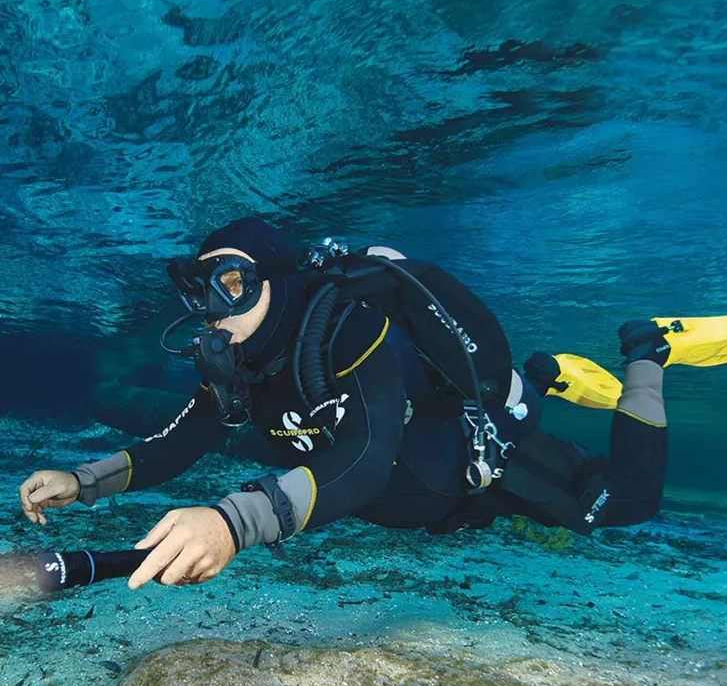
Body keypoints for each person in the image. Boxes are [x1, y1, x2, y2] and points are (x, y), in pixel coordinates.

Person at [18, 216, 669, 590]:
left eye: (234, 284)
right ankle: (545, 374)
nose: (215, 311)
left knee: (628, 500)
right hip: (429, 506)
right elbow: (177, 441)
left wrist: (233, 521)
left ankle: (646, 355)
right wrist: (83, 480)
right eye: (204, 291)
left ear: (279, 281)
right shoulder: (242, 366)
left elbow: (365, 456)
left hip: (484, 470)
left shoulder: (348, 331)